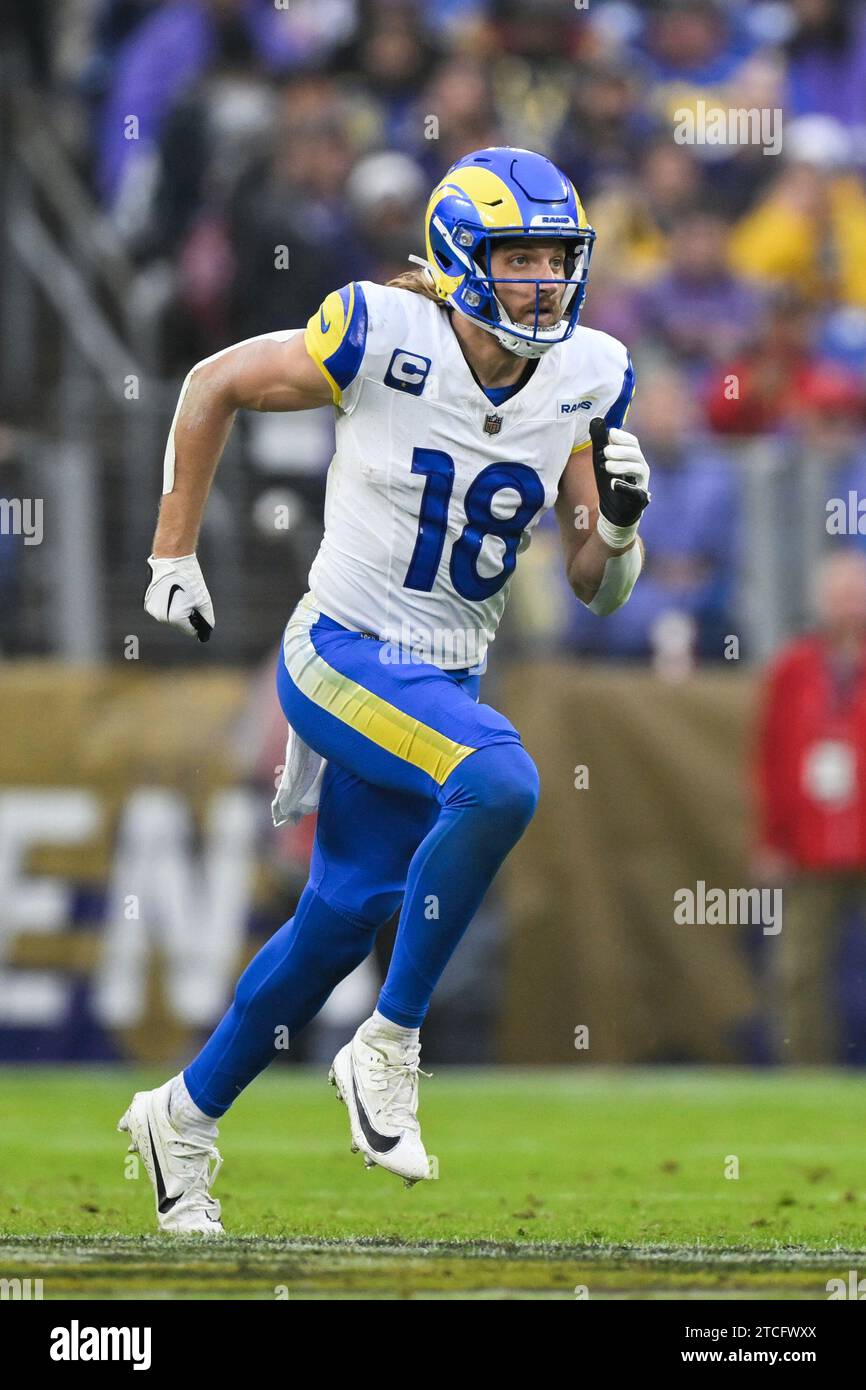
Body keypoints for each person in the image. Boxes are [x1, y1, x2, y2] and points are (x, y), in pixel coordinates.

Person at [118, 146, 652, 1233]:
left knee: (338, 916)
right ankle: (389, 1041)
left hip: (441, 673)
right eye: (519, 261)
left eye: (556, 260)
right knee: (500, 781)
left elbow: (594, 582)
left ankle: (180, 1115)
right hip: (342, 652)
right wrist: (172, 555)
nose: (543, 282)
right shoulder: (380, 332)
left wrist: (626, 529)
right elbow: (210, 380)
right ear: (461, 259)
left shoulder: (588, 373)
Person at [753, 551, 866, 1063]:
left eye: (854, 595)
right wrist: (771, 841)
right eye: (838, 595)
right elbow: (770, 759)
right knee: (797, 969)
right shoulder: (794, 668)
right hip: (811, 844)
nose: (847, 607)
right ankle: (805, 1076)